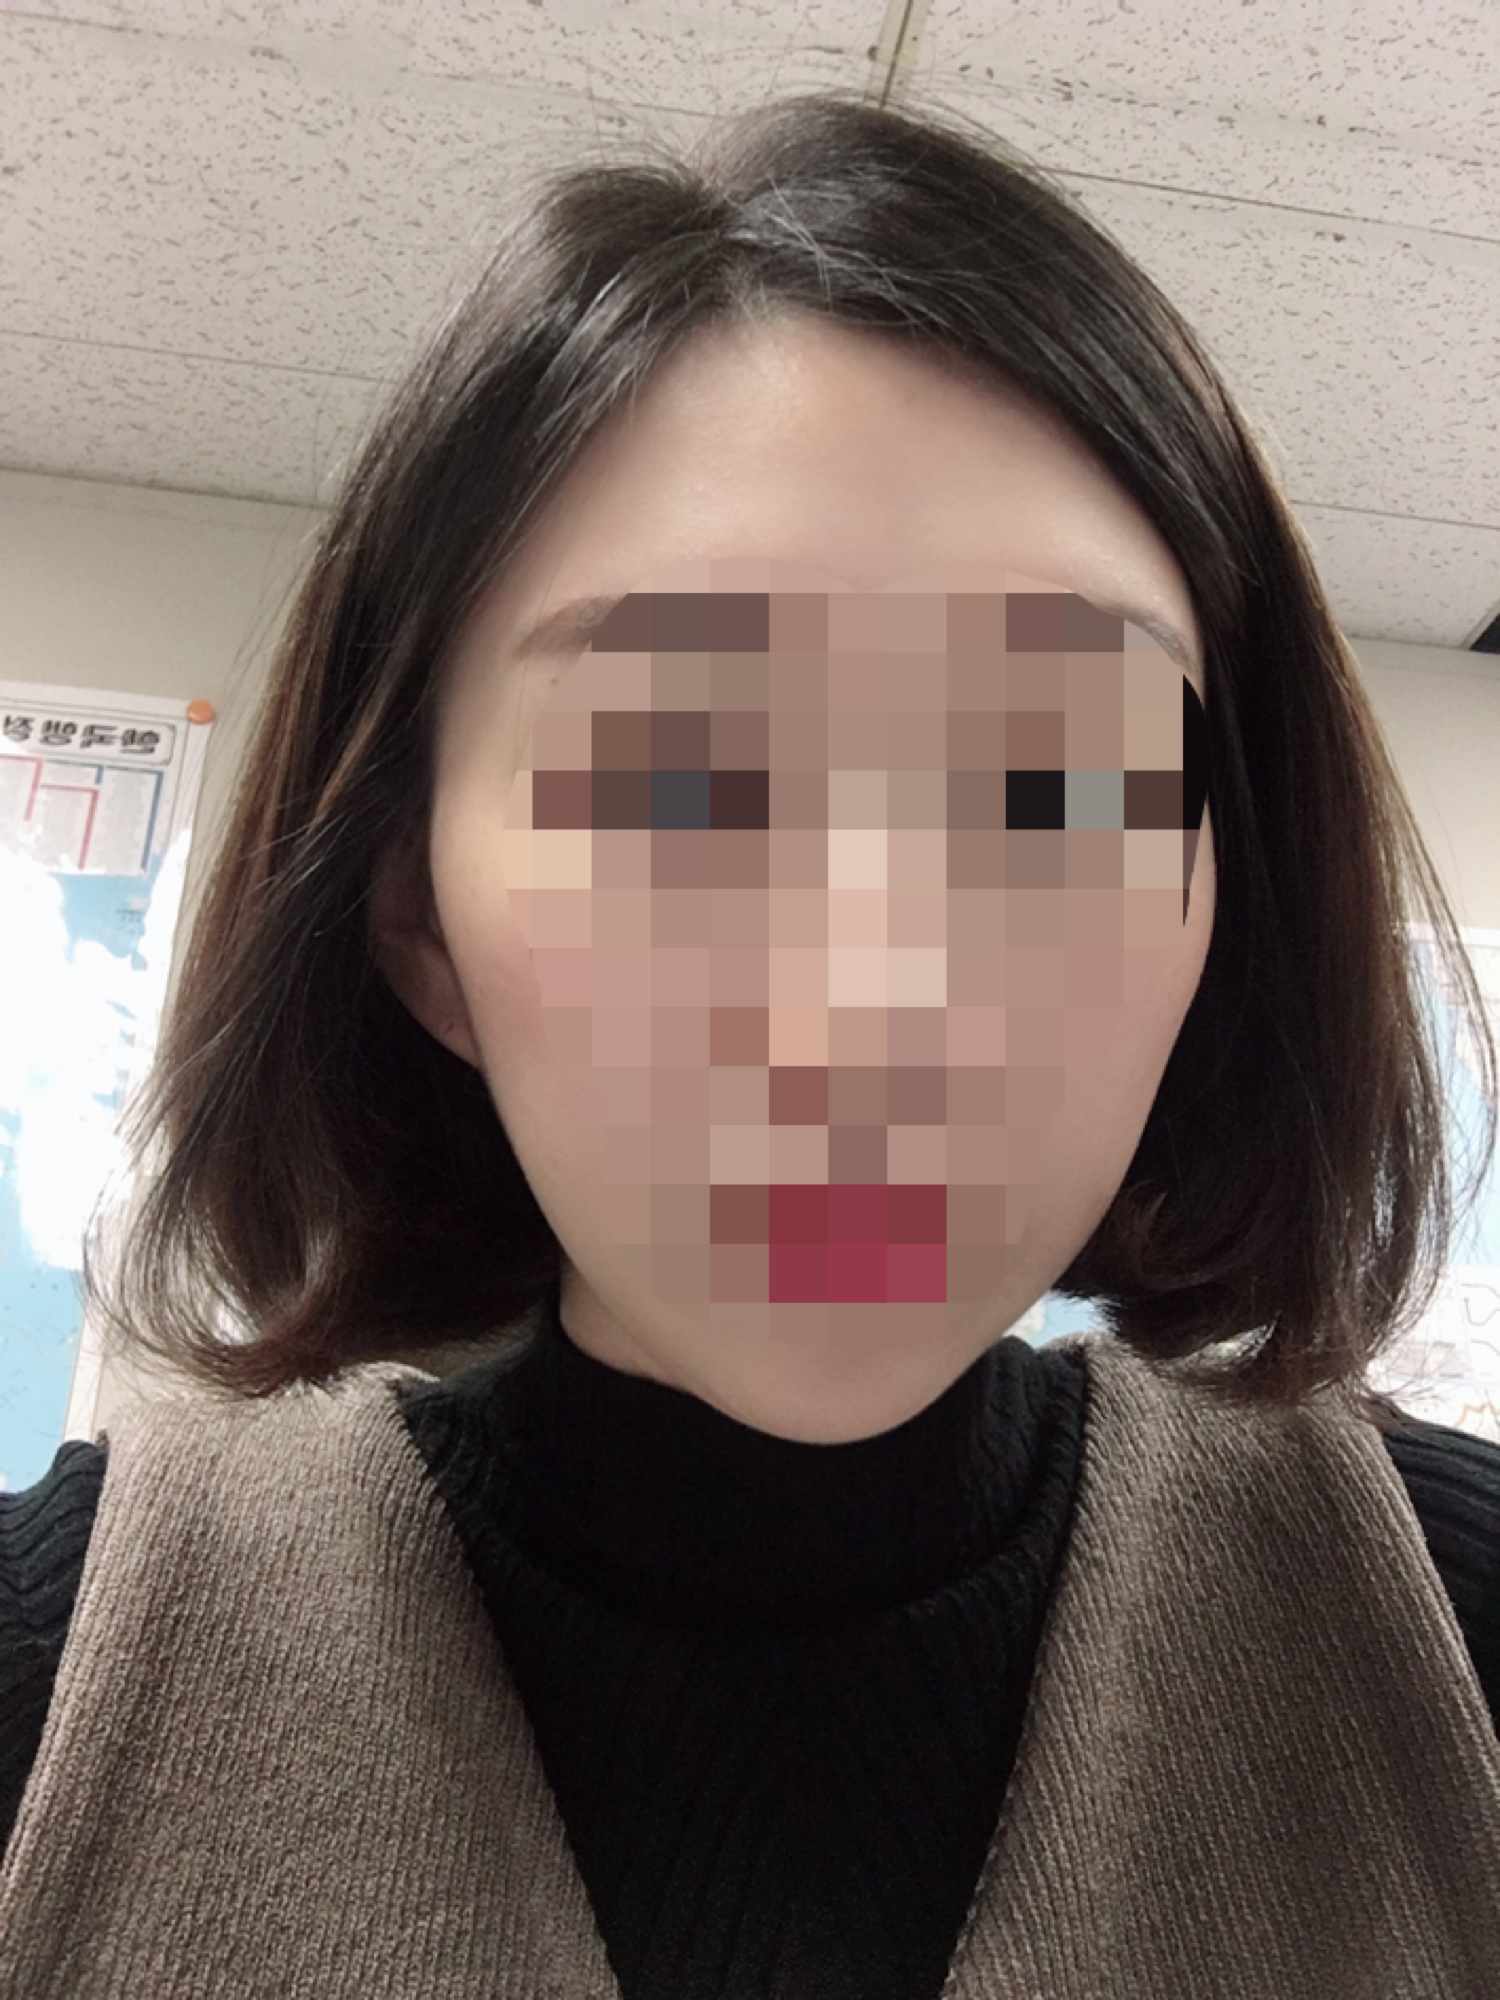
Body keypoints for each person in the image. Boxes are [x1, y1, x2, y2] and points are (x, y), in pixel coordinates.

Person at [1, 88, 1497, 1998]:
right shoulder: (64, 1680)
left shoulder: (1445, 1643)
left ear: (1225, 904)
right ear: (418, 925)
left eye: (1054, 783)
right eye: (673, 777)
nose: (873, 988)